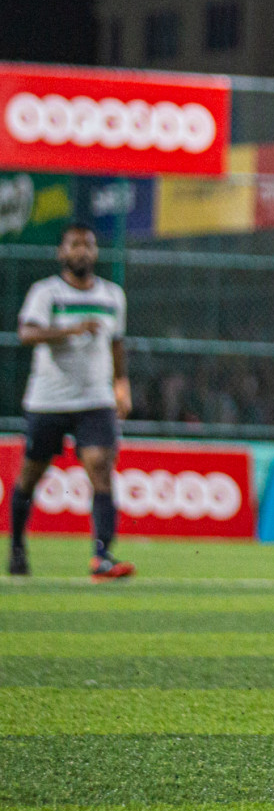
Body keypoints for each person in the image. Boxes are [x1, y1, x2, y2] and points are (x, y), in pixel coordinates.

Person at [8, 223, 134, 580]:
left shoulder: (112, 296)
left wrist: (121, 385)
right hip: (48, 401)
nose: (82, 251)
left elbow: (117, 344)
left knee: (101, 469)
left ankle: (102, 556)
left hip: (96, 399)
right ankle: (17, 546)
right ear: (62, 253)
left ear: (95, 252)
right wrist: (69, 330)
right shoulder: (46, 293)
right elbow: (27, 332)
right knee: (31, 475)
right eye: (75, 245)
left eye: (88, 245)